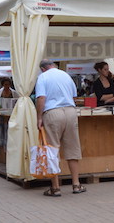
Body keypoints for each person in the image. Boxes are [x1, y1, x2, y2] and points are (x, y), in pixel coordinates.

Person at [35, 60, 85, 196]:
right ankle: (76, 184)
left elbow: (41, 98)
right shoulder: (65, 75)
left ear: (42, 69)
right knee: (73, 148)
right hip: (70, 111)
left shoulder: (42, 77)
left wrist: (39, 117)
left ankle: (55, 187)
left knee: (52, 150)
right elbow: (74, 96)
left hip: (53, 113)